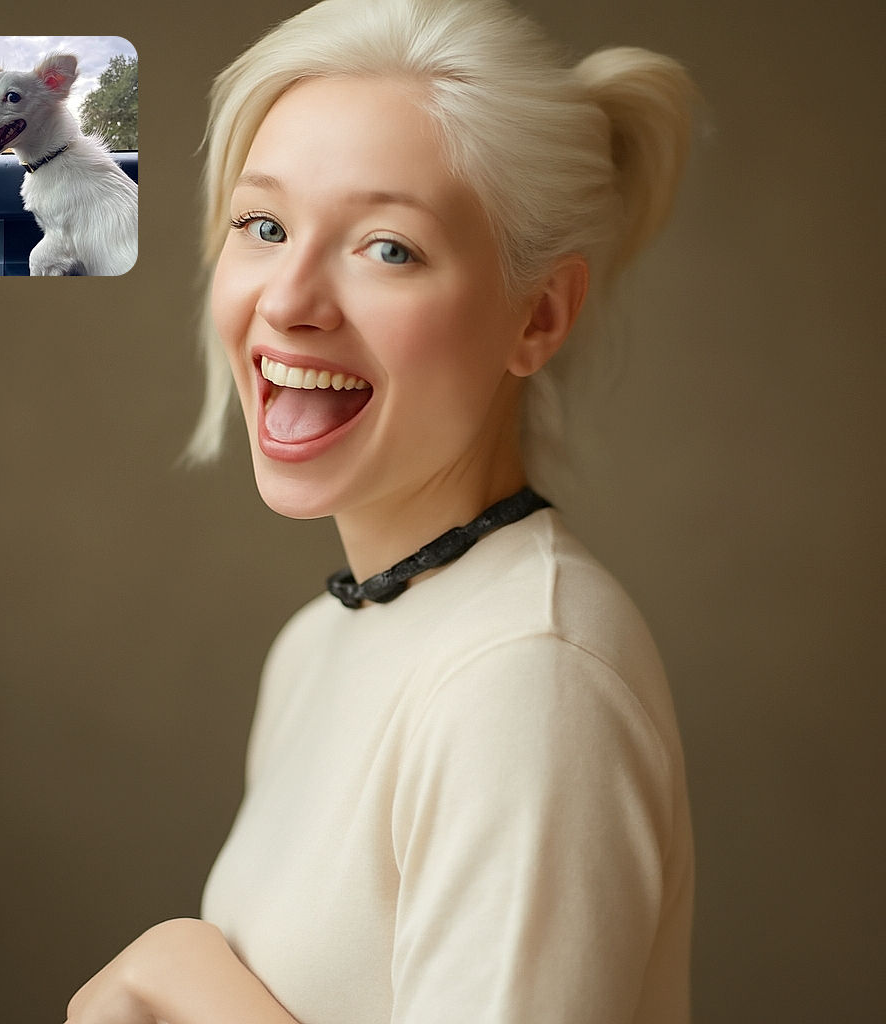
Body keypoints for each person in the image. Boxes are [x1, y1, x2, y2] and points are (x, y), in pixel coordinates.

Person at [64, 0, 696, 1021]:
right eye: (262, 225)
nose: (289, 298)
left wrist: (178, 967)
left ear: (537, 315)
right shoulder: (317, 648)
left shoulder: (528, 671)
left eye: (388, 247)